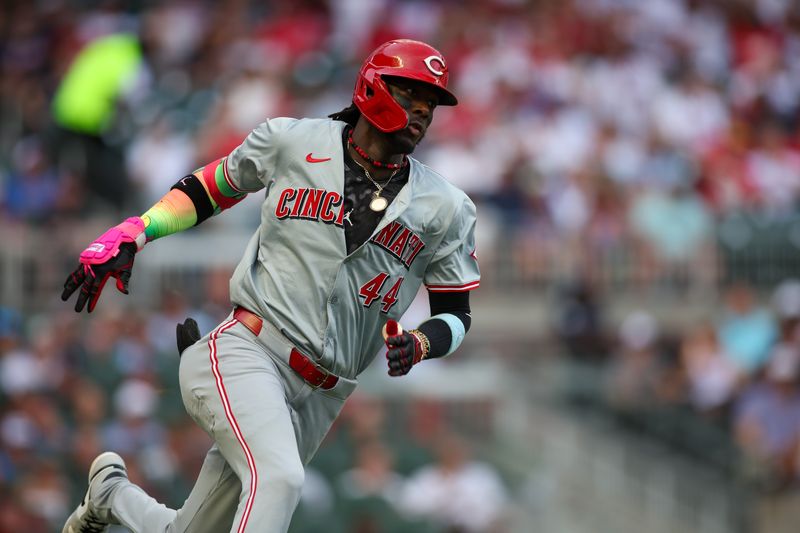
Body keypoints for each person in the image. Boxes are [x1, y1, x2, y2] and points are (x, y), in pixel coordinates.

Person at [60, 39, 480, 533]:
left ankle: (110, 495)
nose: (424, 110)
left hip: (322, 395)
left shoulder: (447, 206)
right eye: (412, 93)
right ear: (374, 88)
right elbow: (210, 189)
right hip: (251, 350)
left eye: (431, 102)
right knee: (280, 478)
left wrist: (424, 341)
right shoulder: (293, 141)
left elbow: (458, 312)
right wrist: (139, 230)